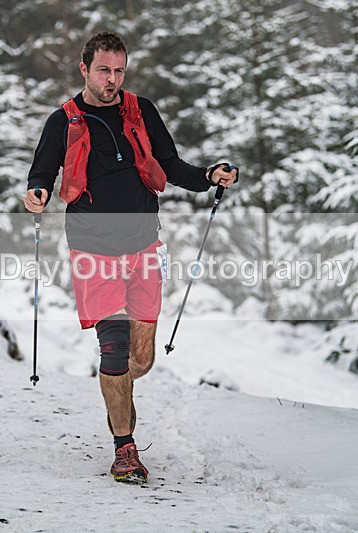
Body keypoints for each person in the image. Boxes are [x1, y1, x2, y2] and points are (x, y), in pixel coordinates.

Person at [24, 31, 238, 484]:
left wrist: (208, 175)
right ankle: (124, 448)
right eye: (104, 70)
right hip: (91, 248)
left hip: (144, 245)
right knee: (116, 347)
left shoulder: (141, 112)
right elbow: (42, 173)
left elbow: (172, 165)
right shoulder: (62, 121)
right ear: (84, 69)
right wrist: (38, 193)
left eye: (119, 70)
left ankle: (118, 386)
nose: (112, 79)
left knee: (142, 359)